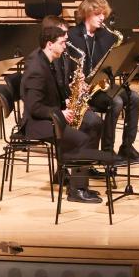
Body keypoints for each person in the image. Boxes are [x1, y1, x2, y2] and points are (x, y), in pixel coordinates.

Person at [21, 17, 107, 204]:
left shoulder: (50, 59)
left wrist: (68, 100)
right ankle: (77, 190)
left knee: (94, 124)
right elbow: (34, 107)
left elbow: (54, 90)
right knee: (81, 137)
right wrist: (60, 113)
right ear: (50, 44)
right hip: (36, 123)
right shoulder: (37, 68)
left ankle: (75, 177)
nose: (65, 46)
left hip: (51, 114)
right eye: (62, 43)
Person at [64, 0, 139, 162]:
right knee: (116, 102)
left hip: (102, 85)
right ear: (86, 13)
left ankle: (127, 146)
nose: (102, 18)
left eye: (103, 14)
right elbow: (66, 64)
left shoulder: (107, 36)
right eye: (98, 14)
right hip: (83, 89)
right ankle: (107, 150)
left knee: (135, 97)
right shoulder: (72, 35)